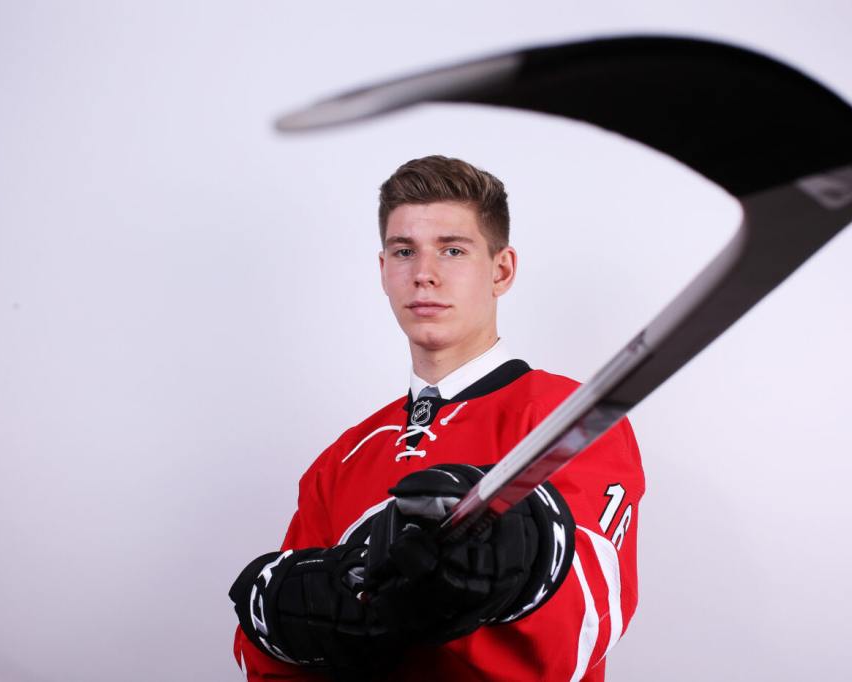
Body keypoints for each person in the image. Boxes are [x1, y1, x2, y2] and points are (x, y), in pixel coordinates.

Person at [230, 156, 645, 681]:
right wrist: (290, 619)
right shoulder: (342, 458)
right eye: (405, 252)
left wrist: (509, 571)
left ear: (501, 269)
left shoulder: (571, 417)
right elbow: (258, 660)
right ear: (383, 270)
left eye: (452, 250)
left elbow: (578, 635)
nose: (424, 274)